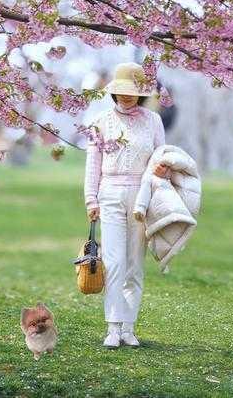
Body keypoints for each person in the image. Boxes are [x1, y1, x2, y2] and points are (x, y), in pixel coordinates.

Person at [83, 62, 170, 348]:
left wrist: (160, 173)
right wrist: (90, 199)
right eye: (121, 91)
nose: (126, 96)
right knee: (114, 262)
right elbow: (92, 164)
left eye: (132, 91)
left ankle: (129, 328)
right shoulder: (100, 121)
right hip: (109, 193)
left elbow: (161, 158)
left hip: (142, 196)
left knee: (134, 265)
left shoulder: (153, 121)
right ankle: (112, 326)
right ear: (113, 92)